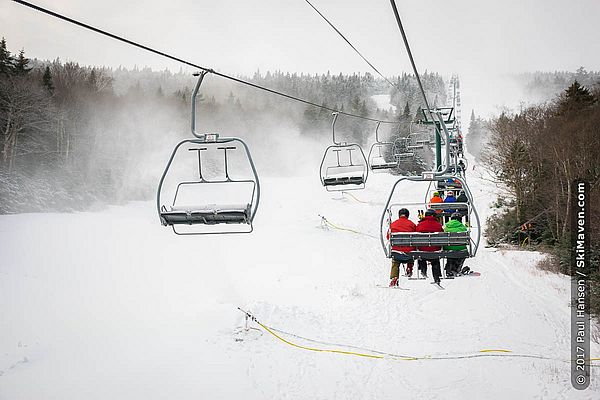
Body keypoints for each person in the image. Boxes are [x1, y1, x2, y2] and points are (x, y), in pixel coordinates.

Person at [387, 208, 416, 286]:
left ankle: (394, 278)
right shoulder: (412, 224)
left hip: (397, 252)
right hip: (409, 253)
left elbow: (388, 236)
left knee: (395, 262)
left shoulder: (393, 224)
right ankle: (409, 266)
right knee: (412, 251)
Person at [415, 209, 443, 284]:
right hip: (435, 249)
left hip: (422, 249)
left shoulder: (420, 224)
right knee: (435, 260)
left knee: (422, 254)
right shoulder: (438, 225)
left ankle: (423, 269)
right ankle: (436, 277)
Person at [443, 212, 468, 277]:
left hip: (448, 248)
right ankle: (456, 269)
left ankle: (449, 269)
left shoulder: (446, 227)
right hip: (461, 248)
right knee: (460, 253)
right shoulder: (463, 228)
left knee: (451, 254)